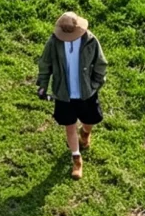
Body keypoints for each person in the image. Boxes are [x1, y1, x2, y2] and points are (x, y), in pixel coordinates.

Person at [36, 11, 107, 180]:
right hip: (63, 93)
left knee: (90, 120)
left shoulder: (90, 40)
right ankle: (76, 159)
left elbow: (100, 63)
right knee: (69, 126)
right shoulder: (53, 42)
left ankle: (86, 133)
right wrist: (43, 85)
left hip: (86, 92)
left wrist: (96, 84)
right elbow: (45, 64)